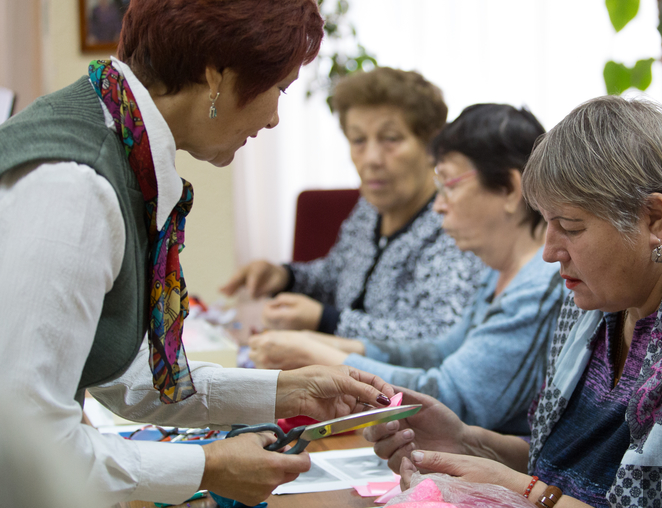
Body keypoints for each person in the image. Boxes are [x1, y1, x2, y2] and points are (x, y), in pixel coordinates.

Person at [0, 1, 396, 506]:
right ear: (216, 76)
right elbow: (24, 446)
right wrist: (207, 466)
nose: (275, 118)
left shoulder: (116, 140)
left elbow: (126, 377)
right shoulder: (75, 187)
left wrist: (287, 390)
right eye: (279, 90)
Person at [364, 96, 662, 507]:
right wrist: (468, 442)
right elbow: (571, 467)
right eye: (547, 223)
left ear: (653, 218)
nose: (549, 251)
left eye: (570, 226)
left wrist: (525, 492)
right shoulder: (600, 297)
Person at [247, 104, 565, 435]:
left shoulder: (539, 286)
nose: (439, 205)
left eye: (450, 186)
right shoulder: (498, 274)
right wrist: (341, 347)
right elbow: (440, 351)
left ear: (511, 189)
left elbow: (454, 400)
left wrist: (325, 358)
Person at [221, 67, 484, 343]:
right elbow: (335, 277)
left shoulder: (453, 224)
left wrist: (326, 320)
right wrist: (284, 276)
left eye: (390, 139)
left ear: (431, 147)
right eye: (358, 140)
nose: (371, 158)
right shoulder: (369, 210)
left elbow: (437, 338)